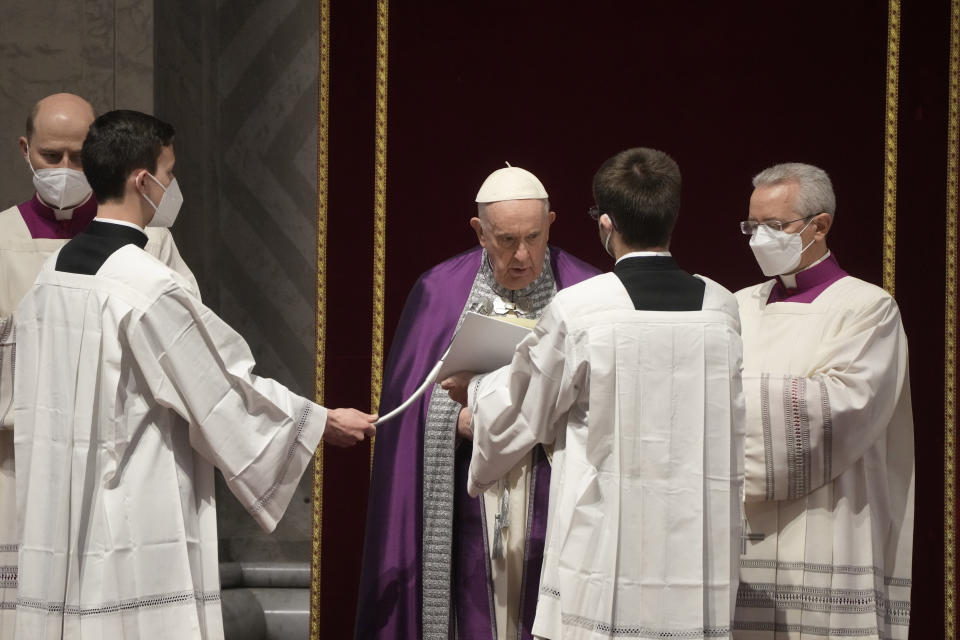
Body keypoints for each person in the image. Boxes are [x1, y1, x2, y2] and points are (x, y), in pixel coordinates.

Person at [10, 109, 376, 639]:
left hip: (61, 510)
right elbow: (223, 390)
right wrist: (318, 422)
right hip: (131, 508)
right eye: (170, 171)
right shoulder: (146, 285)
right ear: (143, 180)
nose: (172, 184)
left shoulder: (56, 271)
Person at [442, 147, 745, 640]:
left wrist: (475, 390)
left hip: (608, 538)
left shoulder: (581, 308)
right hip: (695, 539)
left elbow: (527, 406)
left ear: (606, 224)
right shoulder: (721, 306)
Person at [355, 166, 599, 639]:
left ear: (552, 221)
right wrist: (461, 418)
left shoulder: (587, 291)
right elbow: (409, 413)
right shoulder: (439, 291)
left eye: (533, 236)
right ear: (479, 231)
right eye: (506, 240)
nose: (522, 256)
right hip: (470, 502)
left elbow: (604, 406)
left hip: (553, 493)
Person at [0, 93, 198, 635]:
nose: (65, 171)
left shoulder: (151, 244)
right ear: (25, 150)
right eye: (50, 156)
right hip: (16, 466)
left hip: (116, 464)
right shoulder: (0, 241)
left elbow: (190, 354)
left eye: (77, 156)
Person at [732, 163, 914, 639]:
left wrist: (727, 400)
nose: (759, 239)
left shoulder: (867, 308)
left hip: (826, 525)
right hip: (742, 538)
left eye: (775, 227)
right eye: (752, 226)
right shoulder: (735, 306)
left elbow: (839, 408)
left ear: (820, 226)